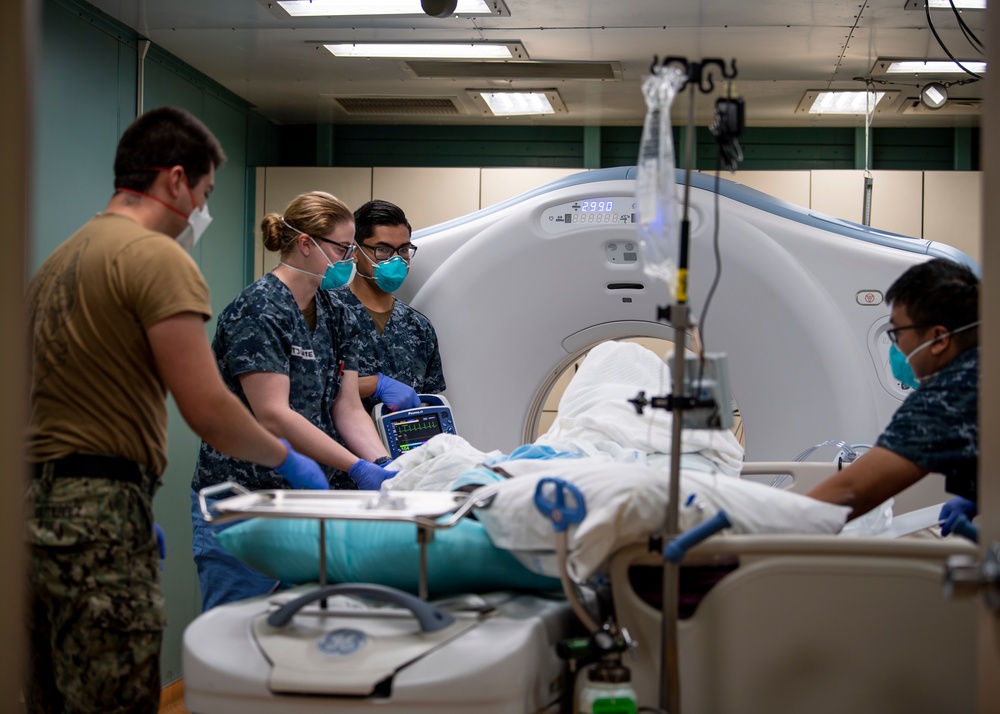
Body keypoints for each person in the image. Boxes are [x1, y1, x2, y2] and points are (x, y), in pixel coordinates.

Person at [25, 107, 325, 714]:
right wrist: (288, 458)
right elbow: (209, 408)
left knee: (50, 696)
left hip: (32, 510)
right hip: (99, 512)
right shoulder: (156, 257)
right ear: (176, 179)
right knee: (115, 697)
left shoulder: (60, 261)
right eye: (206, 193)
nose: (202, 212)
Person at [190, 191, 397, 610]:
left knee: (302, 632)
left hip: (309, 501)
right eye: (342, 248)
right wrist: (353, 466)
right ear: (306, 244)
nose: (350, 259)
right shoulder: (257, 310)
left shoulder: (338, 312)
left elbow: (347, 406)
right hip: (247, 500)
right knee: (237, 636)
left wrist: (382, 466)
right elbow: (273, 414)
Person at [807, 258, 979, 531]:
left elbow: (852, 491)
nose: (895, 345)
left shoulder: (948, 395)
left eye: (897, 332)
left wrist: (759, 533)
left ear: (939, 339)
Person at [330, 199, 446, 414]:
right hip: (338, 445)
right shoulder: (327, 314)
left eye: (403, 250)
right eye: (382, 250)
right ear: (355, 251)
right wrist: (374, 385)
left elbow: (431, 405)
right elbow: (305, 387)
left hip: (404, 445)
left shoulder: (420, 328)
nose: (396, 260)